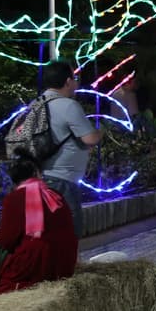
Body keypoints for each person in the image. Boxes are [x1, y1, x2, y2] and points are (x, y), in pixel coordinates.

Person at [0, 155, 78, 295]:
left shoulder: (14, 198)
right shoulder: (55, 195)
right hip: (65, 262)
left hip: (37, 264)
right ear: (37, 173)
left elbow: (7, 241)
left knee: (0, 288)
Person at [39, 61, 102, 237]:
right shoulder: (68, 105)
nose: (76, 82)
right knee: (69, 232)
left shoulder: (36, 104)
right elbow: (89, 138)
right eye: (74, 78)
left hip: (39, 178)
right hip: (62, 180)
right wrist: (100, 133)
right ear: (67, 81)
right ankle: (65, 265)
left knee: (50, 232)